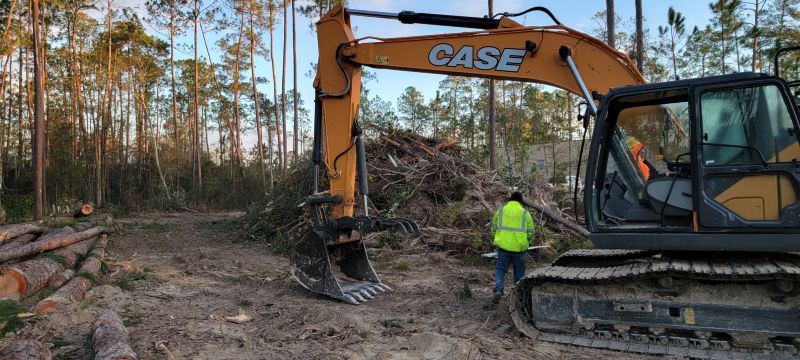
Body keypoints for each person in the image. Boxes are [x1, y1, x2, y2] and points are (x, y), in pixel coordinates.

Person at [491, 191, 535, 304]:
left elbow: (493, 228)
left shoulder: (501, 211)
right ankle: (517, 295)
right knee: (519, 271)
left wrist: (497, 240)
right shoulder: (525, 213)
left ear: (510, 200)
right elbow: (531, 232)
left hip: (503, 247)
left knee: (500, 269)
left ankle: (499, 289)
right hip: (519, 249)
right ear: (520, 202)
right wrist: (528, 242)